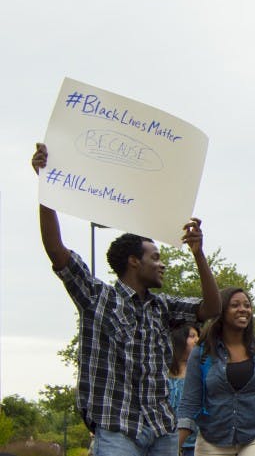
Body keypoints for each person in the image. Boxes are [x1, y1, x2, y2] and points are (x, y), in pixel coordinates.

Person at [31, 142, 222, 456]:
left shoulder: (163, 307)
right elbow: (57, 250)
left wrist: (199, 254)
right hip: (117, 428)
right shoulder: (97, 298)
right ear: (134, 261)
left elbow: (212, 308)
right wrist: (46, 190)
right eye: (155, 257)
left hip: (161, 428)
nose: (162, 264)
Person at [177, 287, 255, 456]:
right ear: (221, 312)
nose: (243, 309)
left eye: (246, 305)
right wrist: (175, 445)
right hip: (212, 438)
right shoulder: (202, 353)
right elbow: (189, 403)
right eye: (235, 305)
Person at [169, 325, 201, 456]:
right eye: (192, 336)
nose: (197, 340)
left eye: (198, 336)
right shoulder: (164, 370)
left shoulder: (200, 369)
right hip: (167, 441)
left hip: (195, 444)